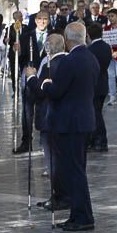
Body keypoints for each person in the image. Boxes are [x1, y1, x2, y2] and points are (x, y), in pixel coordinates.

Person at [40, 23, 98, 231]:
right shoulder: (91, 58)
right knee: (77, 170)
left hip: (71, 123)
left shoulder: (69, 61)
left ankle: (83, 216)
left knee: (74, 171)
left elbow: (56, 91)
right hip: (85, 120)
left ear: (67, 38)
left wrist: (45, 84)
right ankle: (78, 213)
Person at [26, 34, 68, 212]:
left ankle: (59, 196)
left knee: (53, 160)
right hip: (63, 119)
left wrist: (31, 78)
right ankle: (59, 194)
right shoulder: (68, 62)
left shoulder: (52, 65)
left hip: (49, 119)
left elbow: (41, 91)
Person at [15, 11, 50, 153]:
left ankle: (45, 140)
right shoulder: (26, 36)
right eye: (40, 19)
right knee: (27, 110)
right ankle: (26, 141)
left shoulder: (53, 36)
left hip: (46, 76)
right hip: (30, 75)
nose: (42, 22)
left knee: (45, 108)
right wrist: (16, 50)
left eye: (45, 19)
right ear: (35, 20)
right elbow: (20, 57)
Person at [87, 21, 112, 152]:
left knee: (96, 114)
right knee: (97, 112)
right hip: (103, 83)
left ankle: (100, 140)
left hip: (94, 86)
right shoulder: (107, 47)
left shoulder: (90, 50)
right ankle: (94, 139)